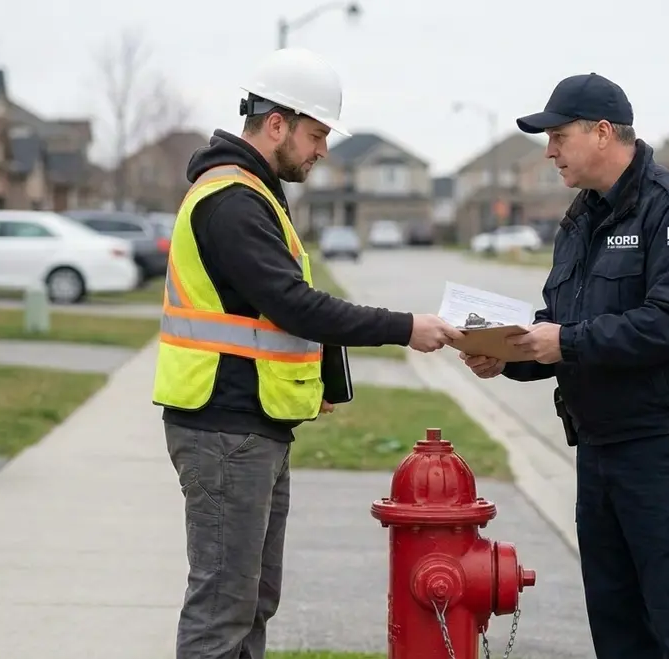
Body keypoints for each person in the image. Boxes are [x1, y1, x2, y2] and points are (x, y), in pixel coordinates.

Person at [152, 47, 462, 659]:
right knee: (222, 608)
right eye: (317, 134)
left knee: (252, 601)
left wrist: (317, 382)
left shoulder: (255, 193)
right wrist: (405, 328)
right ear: (277, 124)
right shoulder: (232, 201)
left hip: (251, 424)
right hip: (225, 430)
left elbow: (271, 311)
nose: (323, 150)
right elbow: (294, 305)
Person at [460, 73, 669, 659]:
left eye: (559, 135)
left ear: (604, 132)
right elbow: (563, 322)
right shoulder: (582, 219)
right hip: (601, 452)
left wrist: (565, 342)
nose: (550, 150)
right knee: (618, 631)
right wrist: (506, 355)